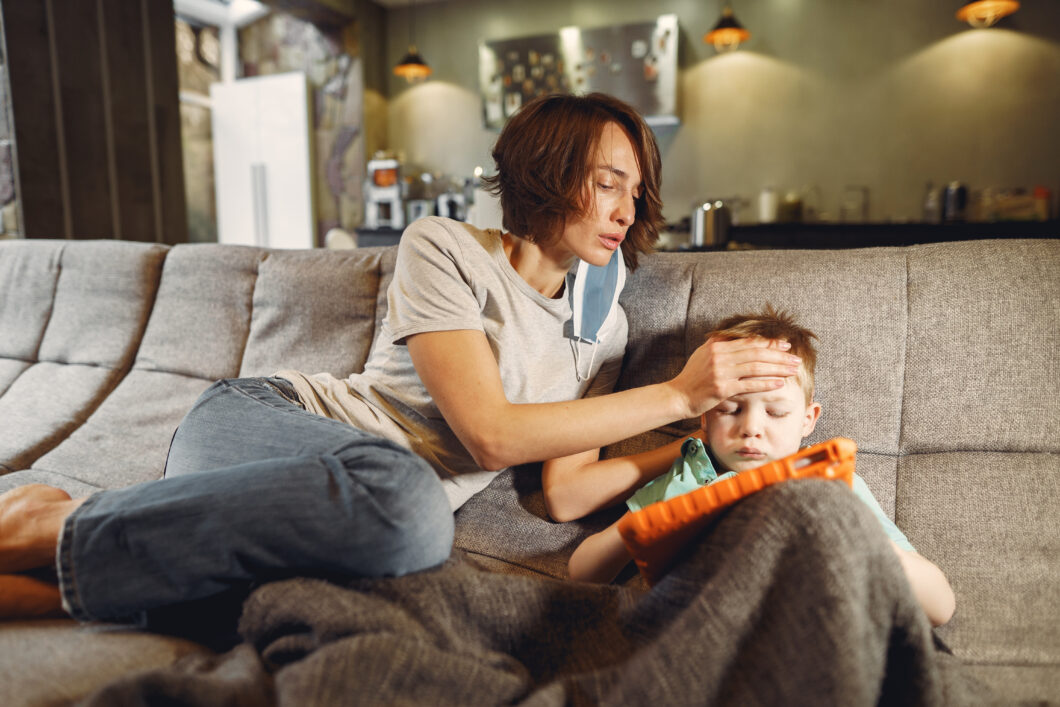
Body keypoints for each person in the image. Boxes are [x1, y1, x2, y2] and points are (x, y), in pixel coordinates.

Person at [0, 92, 803, 624]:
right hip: (263, 427)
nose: (627, 209)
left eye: (637, 190)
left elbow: (564, 493)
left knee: (318, 591)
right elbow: (490, 435)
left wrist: (699, 448)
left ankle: (42, 582)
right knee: (414, 511)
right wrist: (677, 394)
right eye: (608, 182)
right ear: (549, 171)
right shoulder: (444, 248)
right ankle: (55, 522)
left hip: (353, 515)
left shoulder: (605, 328)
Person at [560, 306, 956, 627]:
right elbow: (582, 572)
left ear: (808, 420)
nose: (751, 428)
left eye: (776, 412)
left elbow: (939, 606)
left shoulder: (833, 484)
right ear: (704, 418)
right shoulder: (688, 477)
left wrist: (857, 537)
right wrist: (641, 528)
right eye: (730, 410)